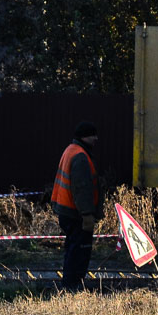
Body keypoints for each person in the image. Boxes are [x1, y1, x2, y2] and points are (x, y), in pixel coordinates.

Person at [51, 121, 101, 291]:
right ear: (84, 137)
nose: (96, 138)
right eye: (92, 135)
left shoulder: (70, 150)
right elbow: (82, 189)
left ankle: (70, 283)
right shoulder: (80, 156)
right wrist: (87, 215)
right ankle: (73, 285)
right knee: (80, 250)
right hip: (76, 214)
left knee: (72, 249)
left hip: (67, 211)